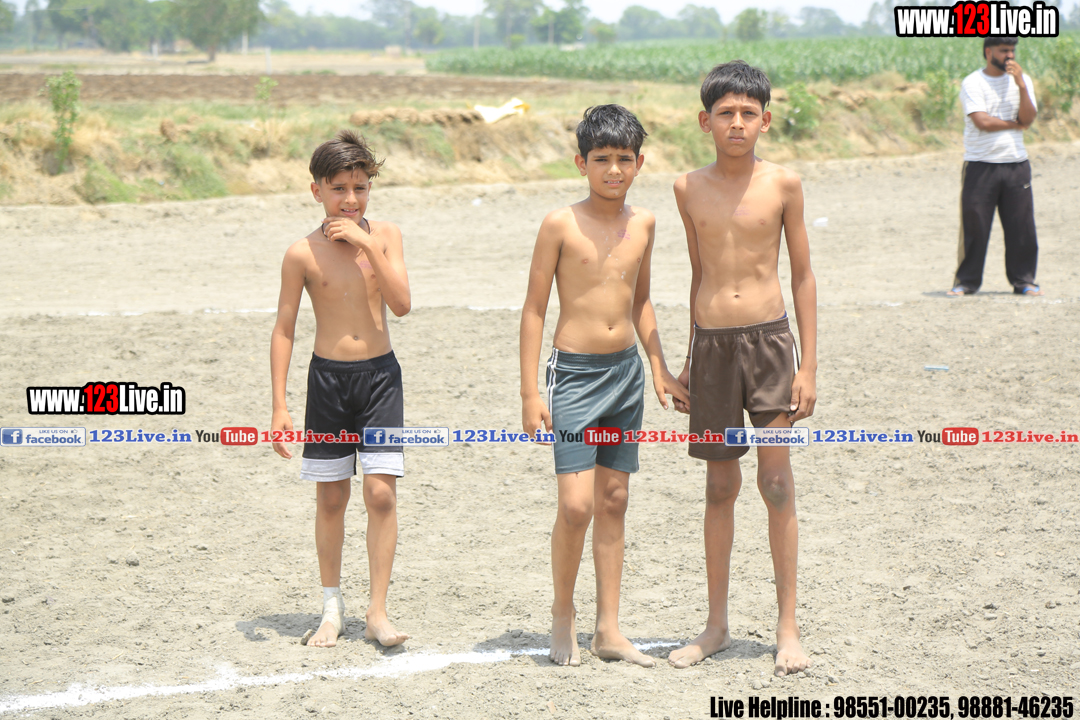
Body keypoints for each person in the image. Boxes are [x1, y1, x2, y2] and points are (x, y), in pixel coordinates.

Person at [519, 104, 689, 667]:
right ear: (581, 163)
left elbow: (641, 300)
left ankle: (609, 630)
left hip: (625, 375)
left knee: (613, 500)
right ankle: (562, 613)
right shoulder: (559, 224)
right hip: (573, 376)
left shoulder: (645, 223)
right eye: (601, 159)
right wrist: (529, 392)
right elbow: (534, 309)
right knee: (576, 506)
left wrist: (659, 367)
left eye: (623, 159)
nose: (613, 169)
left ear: (639, 162)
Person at [667, 61, 817, 676]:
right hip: (713, 352)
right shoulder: (686, 188)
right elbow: (698, 275)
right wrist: (688, 357)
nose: (737, 123)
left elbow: (803, 275)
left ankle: (788, 628)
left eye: (748, 113)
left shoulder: (784, 184)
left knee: (775, 482)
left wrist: (808, 365)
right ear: (705, 122)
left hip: (770, 345)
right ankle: (716, 625)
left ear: (766, 120)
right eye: (725, 113)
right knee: (719, 487)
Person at [270, 130, 411, 649]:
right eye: (339, 189)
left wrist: (368, 244)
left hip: (380, 380)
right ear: (317, 191)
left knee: (381, 493)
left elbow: (402, 305)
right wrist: (280, 405)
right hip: (327, 382)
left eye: (361, 188)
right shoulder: (301, 254)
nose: (351, 200)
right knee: (331, 497)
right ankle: (332, 607)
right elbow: (284, 329)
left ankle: (378, 611)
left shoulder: (387, 236)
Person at [948, 36, 1042, 297]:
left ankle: (1024, 281)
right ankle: (966, 282)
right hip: (981, 166)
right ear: (989, 53)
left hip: (1016, 164)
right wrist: (1015, 124)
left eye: (1012, 50)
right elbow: (983, 122)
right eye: (1004, 51)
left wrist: (1021, 85)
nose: (1010, 56)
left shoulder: (1023, 81)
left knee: (1021, 227)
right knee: (975, 227)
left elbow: (1028, 118)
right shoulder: (973, 82)